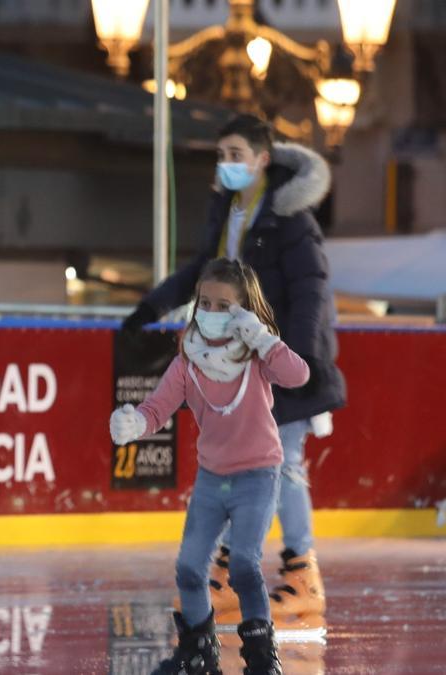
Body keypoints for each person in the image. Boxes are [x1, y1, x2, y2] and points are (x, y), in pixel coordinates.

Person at [122, 114, 344, 632]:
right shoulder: (227, 213)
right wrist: (149, 308)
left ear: (262, 160)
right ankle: (223, 577)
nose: (227, 165)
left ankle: (302, 575)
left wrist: (304, 357)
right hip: (238, 362)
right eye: (221, 156)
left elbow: (312, 289)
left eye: (236, 155)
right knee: (230, 467)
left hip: (282, 357)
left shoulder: (291, 219)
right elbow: (205, 274)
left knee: (283, 463)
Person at [112, 258, 307, 675]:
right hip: (212, 478)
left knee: (243, 565)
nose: (212, 313)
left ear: (244, 310)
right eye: (205, 302)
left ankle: (259, 656)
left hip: (258, 474)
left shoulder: (256, 354)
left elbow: (298, 375)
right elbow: (157, 407)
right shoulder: (189, 360)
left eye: (225, 306)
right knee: (188, 567)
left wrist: (262, 337)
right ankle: (199, 651)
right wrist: (134, 423)